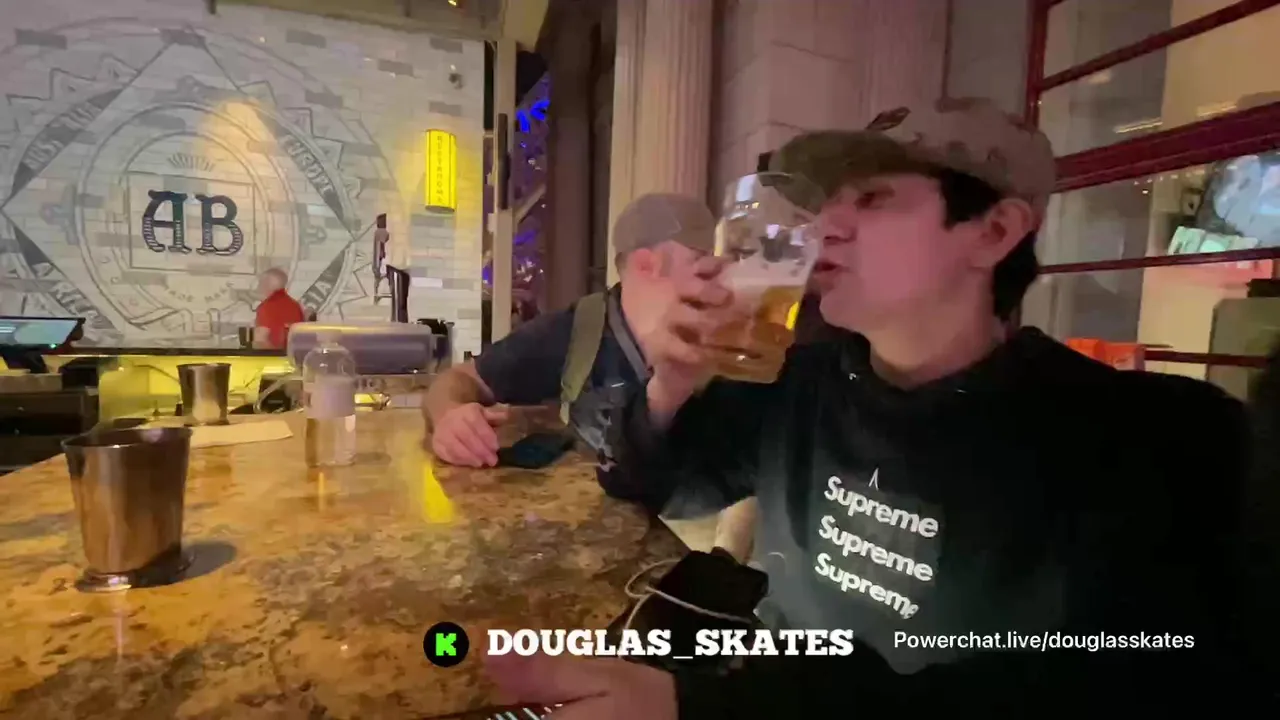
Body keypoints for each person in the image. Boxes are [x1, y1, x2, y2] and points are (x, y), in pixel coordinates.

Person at [484, 98, 1278, 714]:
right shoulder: (799, 382)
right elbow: (647, 486)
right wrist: (674, 378)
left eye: (872, 197)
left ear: (994, 231)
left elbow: (1122, 690)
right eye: (825, 200)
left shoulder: (1155, 438)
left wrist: (710, 709)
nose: (824, 227)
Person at [424, 193, 715, 472]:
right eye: (701, 262)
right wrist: (450, 416)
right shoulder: (574, 332)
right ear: (646, 265)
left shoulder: (724, 340)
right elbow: (459, 378)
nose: (717, 277)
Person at [253, 267, 305, 349]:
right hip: (294, 355)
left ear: (266, 284)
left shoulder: (267, 307)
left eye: (260, 283)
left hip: (274, 356)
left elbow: (260, 341)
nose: (258, 287)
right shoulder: (295, 306)